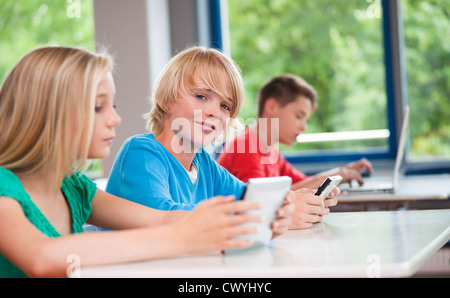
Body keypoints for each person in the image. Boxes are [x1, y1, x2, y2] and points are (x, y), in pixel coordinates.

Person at [0, 46, 265, 278]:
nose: (115, 119)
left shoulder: (74, 187)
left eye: (112, 107)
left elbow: (160, 221)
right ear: (47, 113)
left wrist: (249, 219)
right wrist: (183, 237)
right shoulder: (4, 187)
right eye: (97, 107)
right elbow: (41, 259)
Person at [106, 46, 336, 231]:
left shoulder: (204, 164)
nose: (215, 112)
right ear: (168, 100)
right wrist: (274, 213)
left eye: (225, 105)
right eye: (201, 96)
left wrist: (295, 201)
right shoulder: (140, 153)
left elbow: (250, 197)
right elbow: (165, 220)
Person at [217, 74, 373, 190]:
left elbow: (304, 184)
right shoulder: (246, 147)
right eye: (299, 116)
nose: (304, 127)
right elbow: (261, 202)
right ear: (271, 107)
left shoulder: (271, 152)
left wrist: (340, 174)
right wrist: (338, 173)